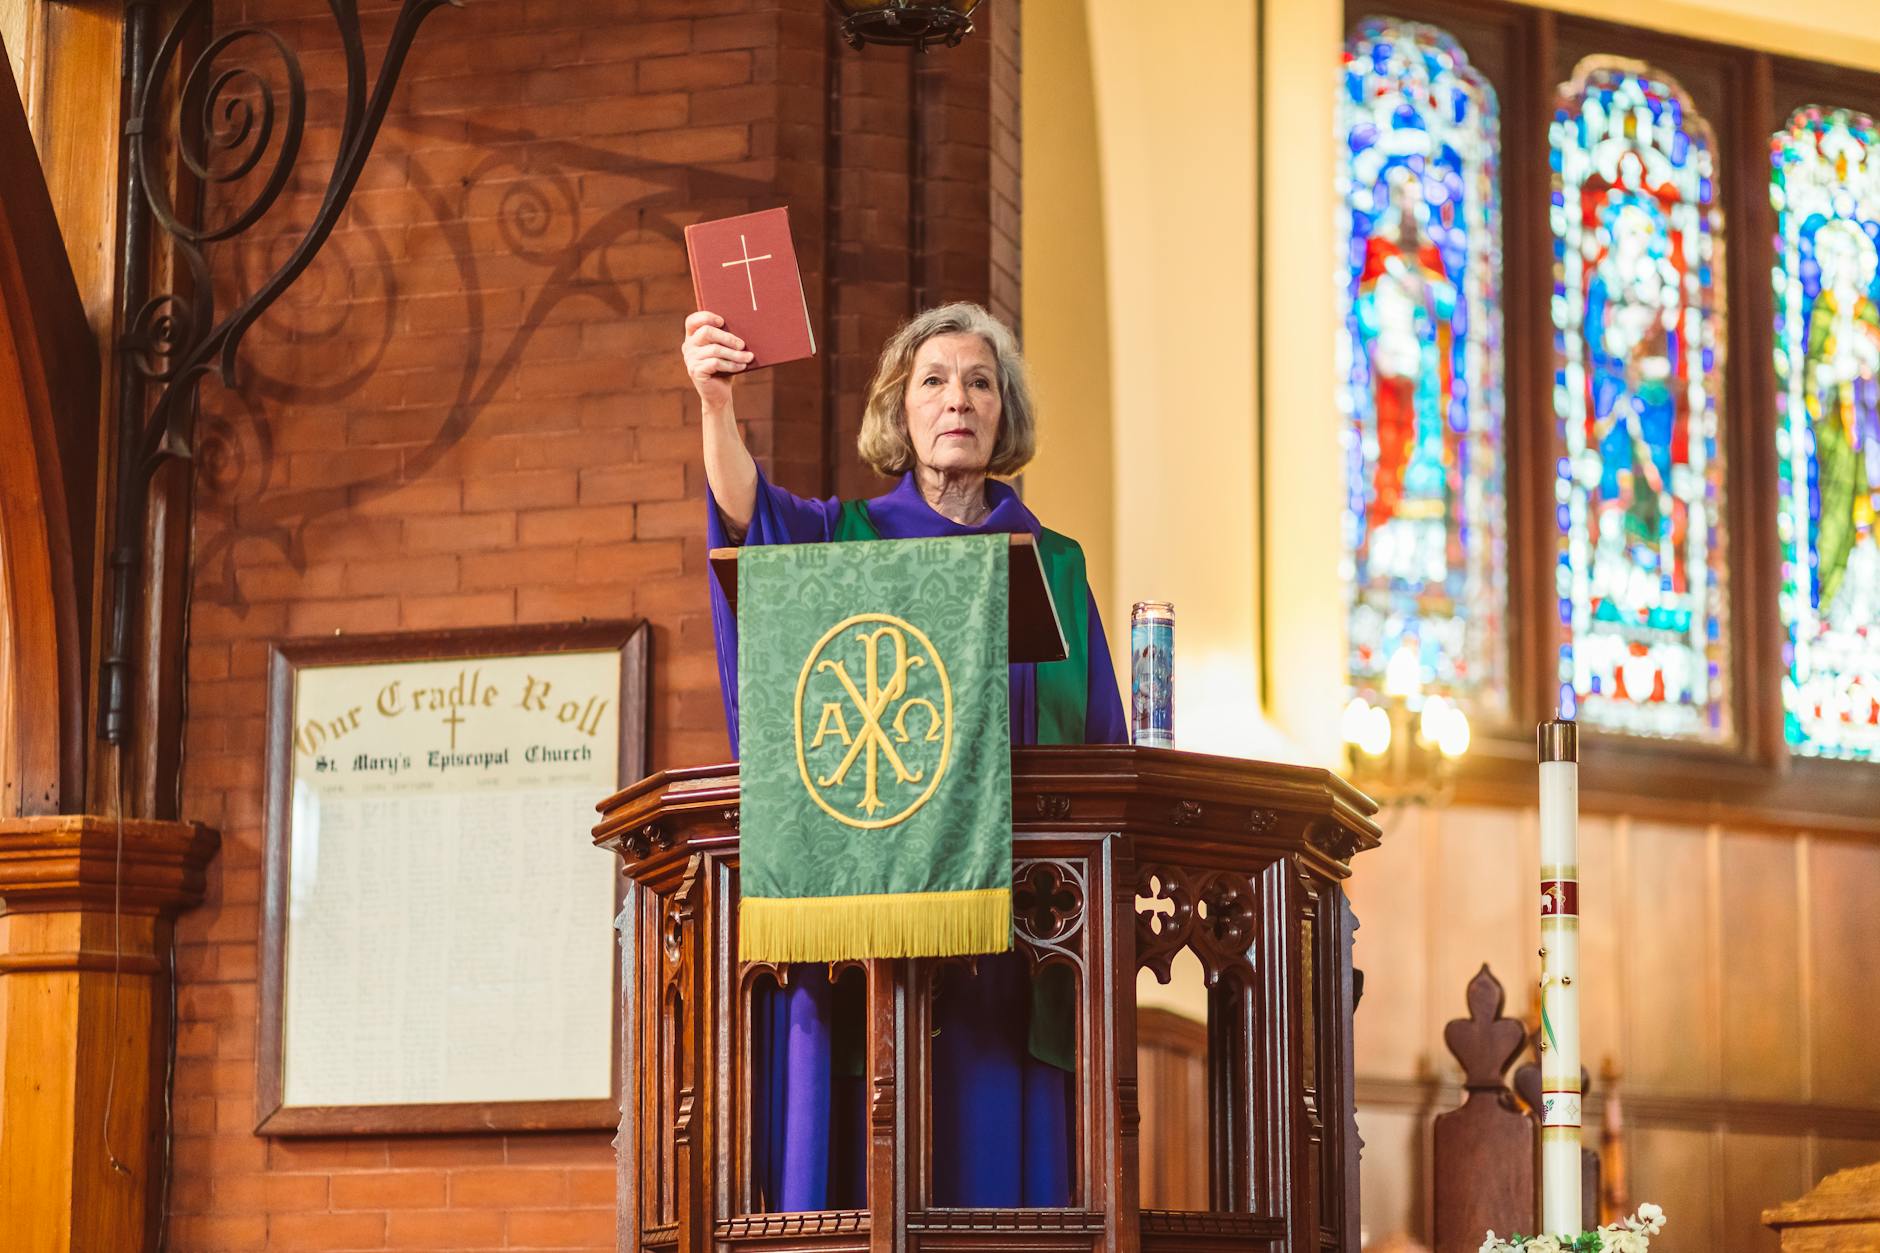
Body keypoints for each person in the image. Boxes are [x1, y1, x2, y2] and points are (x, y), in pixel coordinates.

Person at [683, 301, 1127, 1212]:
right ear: (902, 408)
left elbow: (1104, 753)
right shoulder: (845, 537)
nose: (957, 398)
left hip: (1017, 934)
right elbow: (744, 520)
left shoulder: (1057, 564)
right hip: (869, 934)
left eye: (979, 381)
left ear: (1004, 414)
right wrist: (716, 404)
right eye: (934, 380)